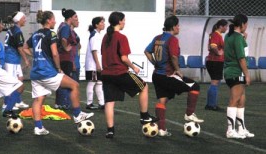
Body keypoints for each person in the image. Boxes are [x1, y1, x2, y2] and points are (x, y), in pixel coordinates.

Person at [23, 10, 94, 135]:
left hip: (36, 73)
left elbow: (24, 47)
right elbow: (55, 53)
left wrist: (35, 56)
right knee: (75, 85)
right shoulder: (51, 33)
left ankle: (38, 128)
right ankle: (77, 114)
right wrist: (58, 68)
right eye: (54, 19)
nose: (55, 21)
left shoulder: (35, 34)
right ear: (49, 20)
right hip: (47, 71)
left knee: (38, 99)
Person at [144, 15, 204, 137]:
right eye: (178, 25)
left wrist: (155, 63)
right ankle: (189, 114)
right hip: (168, 75)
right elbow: (174, 57)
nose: (179, 27)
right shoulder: (172, 39)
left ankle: (161, 129)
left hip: (157, 75)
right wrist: (178, 70)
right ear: (173, 27)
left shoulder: (157, 38)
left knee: (163, 99)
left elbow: (146, 51)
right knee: (195, 87)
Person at [101, 11, 158, 139]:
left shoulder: (106, 37)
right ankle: (144, 116)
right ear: (120, 21)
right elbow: (124, 58)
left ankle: (110, 130)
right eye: (124, 20)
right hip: (119, 72)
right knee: (144, 86)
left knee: (109, 102)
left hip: (106, 74)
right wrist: (134, 67)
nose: (125, 22)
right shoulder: (121, 37)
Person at [224, 14, 254, 139]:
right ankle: (230, 130)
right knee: (234, 100)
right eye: (246, 24)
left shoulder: (229, 36)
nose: (246, 26)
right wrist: (247, 74)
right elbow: (241, 58)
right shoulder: (237, 38)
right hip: (236, 72)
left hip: (231, 72)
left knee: (241, 100)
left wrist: (243, 38)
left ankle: (241, 129)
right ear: (242, 24)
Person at [2, 11, 30, 111]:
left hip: (14, 59)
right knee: (11, 83)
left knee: (20, 79)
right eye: (23, 18)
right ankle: (6, 103)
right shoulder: (17, 31)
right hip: (11, 59)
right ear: (18, 20)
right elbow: (20, 48)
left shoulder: (13, 29)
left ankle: (17, 101)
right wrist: (26, 60)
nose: (25, 19)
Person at [54, 8, 79, 110]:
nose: (77, 19)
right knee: (65, 81)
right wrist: (66, 48)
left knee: (63, 80)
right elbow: (64, 39)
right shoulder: (65, 27)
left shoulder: (62, 26)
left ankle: (61, 103)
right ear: (70, 18)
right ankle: (63, 103)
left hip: (65, 58)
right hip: (65, 58)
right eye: (75, 17)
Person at [205, 19, 228, 111]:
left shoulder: (215, 35)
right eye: (225, 26)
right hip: (215, 61)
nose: (226, 28)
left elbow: (209, 46)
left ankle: (211, 103)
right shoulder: (216, 35)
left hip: (213, 61)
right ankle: (211, 105)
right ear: (221, 26)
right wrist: (219, 53)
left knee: (215, 82)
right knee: (214, 82)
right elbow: (212, 46)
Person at [85, 16, 105, 110]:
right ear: (96, 25)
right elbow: (94, 50)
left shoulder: (97, 34)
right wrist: (97, 64)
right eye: (101, 22)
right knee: (92, 82)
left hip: (96, 64)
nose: (103, 24)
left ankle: (101, 103)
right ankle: (89, 103)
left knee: (99, 82)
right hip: (93, 64)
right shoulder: (94, 35)